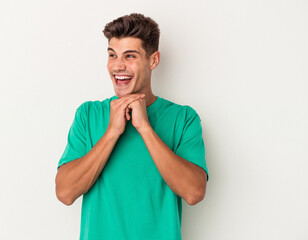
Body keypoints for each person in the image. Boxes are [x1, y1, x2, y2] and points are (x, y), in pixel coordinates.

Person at [55, 13, 209, 240]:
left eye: (130, 56)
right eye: (112, 55)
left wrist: (145, 128)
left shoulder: (183, 118)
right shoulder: (88, 115)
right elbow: (65, 193)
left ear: (153, 60)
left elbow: (194, 192)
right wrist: (112, 132)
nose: (118, 66)